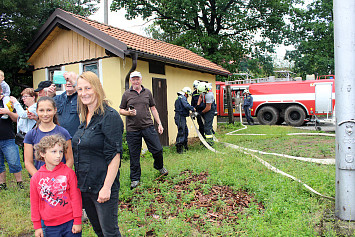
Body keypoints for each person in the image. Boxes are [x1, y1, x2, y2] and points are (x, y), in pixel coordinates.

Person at [72, 71, 123, 237]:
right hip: (85, 185)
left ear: (97, 89)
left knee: (110, 232)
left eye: (88, 88)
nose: (84, 93)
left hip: (102, 185)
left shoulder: (110, 116)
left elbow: (115, 155)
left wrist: (106, 188)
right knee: (98, 231)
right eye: (80, 89)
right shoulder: (84, 116)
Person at [119, 71, 168, 190]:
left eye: (138, 79)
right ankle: (135, 179)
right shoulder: (126, 94)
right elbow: (121, 110)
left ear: (141, 80)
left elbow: (153, 108)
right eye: (133, 79)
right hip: (132, 130)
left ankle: (159, 166)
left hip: (148, 126)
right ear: (131, 80)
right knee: (134, 155)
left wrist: (159, 123)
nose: (136, 81)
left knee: (157, 149)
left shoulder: (147, 93)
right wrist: (128, 112)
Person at [31, 135, 82, 237]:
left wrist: (77, 220)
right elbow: (34, 203)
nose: (58, 155)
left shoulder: (69, 173)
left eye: (61, 151)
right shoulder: (36, 178)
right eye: (54, 152)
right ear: (42, 153)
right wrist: (37, 226)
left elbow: (76, 197)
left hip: (70, 222)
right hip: (49, 226)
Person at [24, 96, 74, 177]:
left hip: (60, 180)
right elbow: (28, 162)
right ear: (37, 111)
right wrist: (39, 178)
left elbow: (70, 159)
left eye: (49, 110)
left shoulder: (63, 133)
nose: (45, 114)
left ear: (55, 110)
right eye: (41, 110)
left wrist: (61, 177)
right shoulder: (30, 135)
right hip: (40, 180)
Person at [0, 86, 24, 190]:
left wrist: (8, 112)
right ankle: (2, 185)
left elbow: (16, 118)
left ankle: (20, 184)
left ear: (1, 90)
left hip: (8, 137)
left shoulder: (7, 101)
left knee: (14, 161)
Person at [48, 72, 80, 137]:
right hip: (59, 139)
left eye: (70, 80)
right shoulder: (57, 98)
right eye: (66, 81)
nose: (68, 83)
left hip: (75, 140)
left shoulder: (81, 98)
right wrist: (50, 97)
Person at [174, 87, 195, 153]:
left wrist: (187, 113)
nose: (188, 96)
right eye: (188, 95)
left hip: (181, 116)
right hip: (180, 117)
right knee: (182, 131)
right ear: (185, 93)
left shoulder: (179, 98)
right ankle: (179, 148)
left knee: (185, 131)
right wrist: (193, 109)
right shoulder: (182, 98)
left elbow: (182, 108)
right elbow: (186, 105)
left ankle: (185, 146)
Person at [197, 82, 216, 146]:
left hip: (210, 109)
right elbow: (200, 96)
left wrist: (201, 112)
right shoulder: (203, 91)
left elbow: (208, 108)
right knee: (205, 125)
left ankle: (210, 142)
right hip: (206, 106)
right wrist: (198, 105)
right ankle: (206, 141)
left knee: (207, 127)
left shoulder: (209, 95)